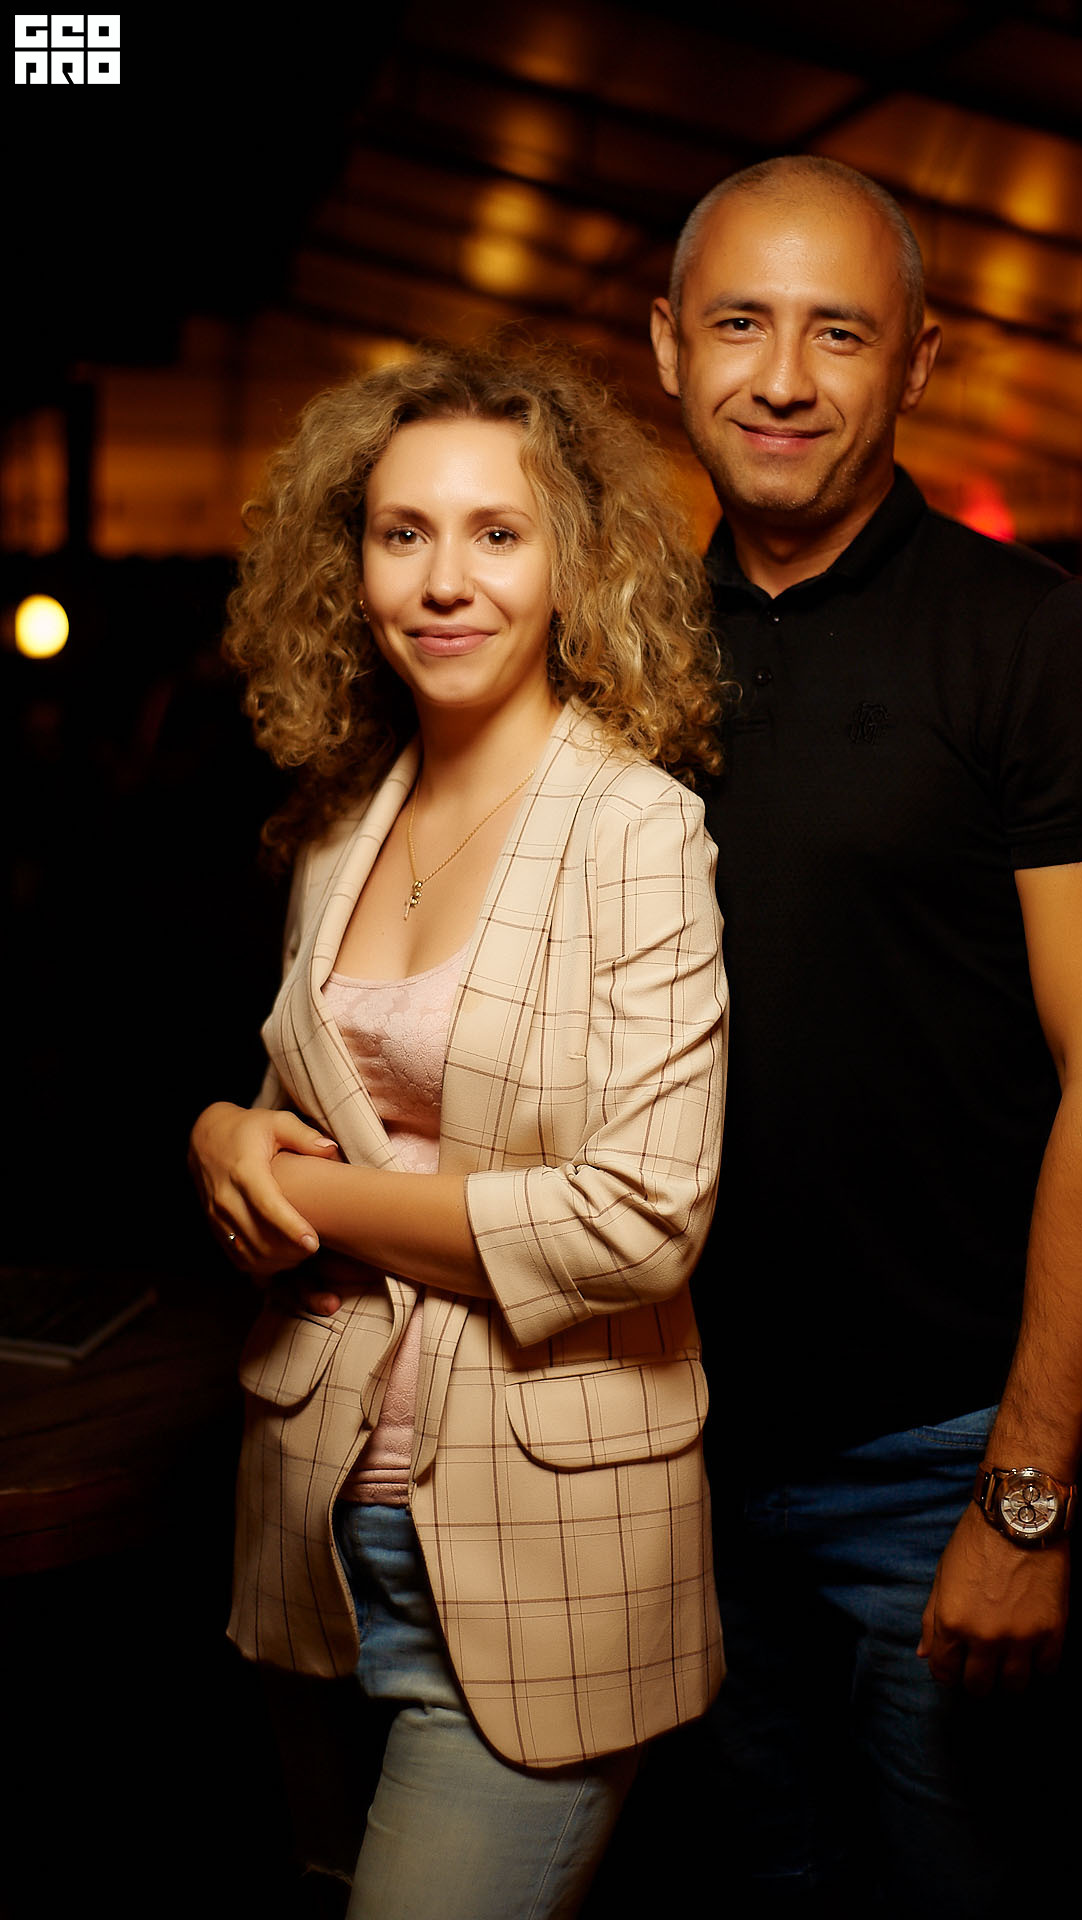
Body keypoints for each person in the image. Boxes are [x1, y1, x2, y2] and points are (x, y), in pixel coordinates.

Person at [643, 156, 1082, 1917]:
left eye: (839, 333)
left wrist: (1023, 1498)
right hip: (657, 1445)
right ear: (667, 347)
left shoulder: (1034, 642)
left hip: (932, 1462)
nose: (782, 378)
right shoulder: (613, 650)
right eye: (740, 323)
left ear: (918, 362)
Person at [187, 339, 728, 1920]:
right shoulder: (339, 827)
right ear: (347, 563)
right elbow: (303, 1128)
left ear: (573, 564)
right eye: (401, 532)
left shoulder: (634, 830)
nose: (443, 581)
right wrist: (223, 1134)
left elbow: (640, 1221)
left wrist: (306, 1187)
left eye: (498, 532)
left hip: (542, 1550)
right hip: (311, 1531)